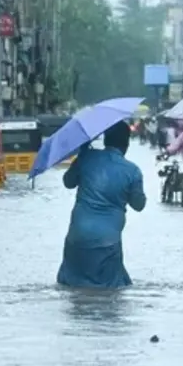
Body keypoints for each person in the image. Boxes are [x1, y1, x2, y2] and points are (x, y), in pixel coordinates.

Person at [57, 121, 146, 288]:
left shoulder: (87, 158)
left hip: (77, 236)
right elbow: (139, 205)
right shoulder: (132, 171)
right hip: (107, 242)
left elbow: (68, 182)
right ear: (126, 143)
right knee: (110, 293)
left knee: (72, 289)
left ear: (105, 140)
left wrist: (81, 156)